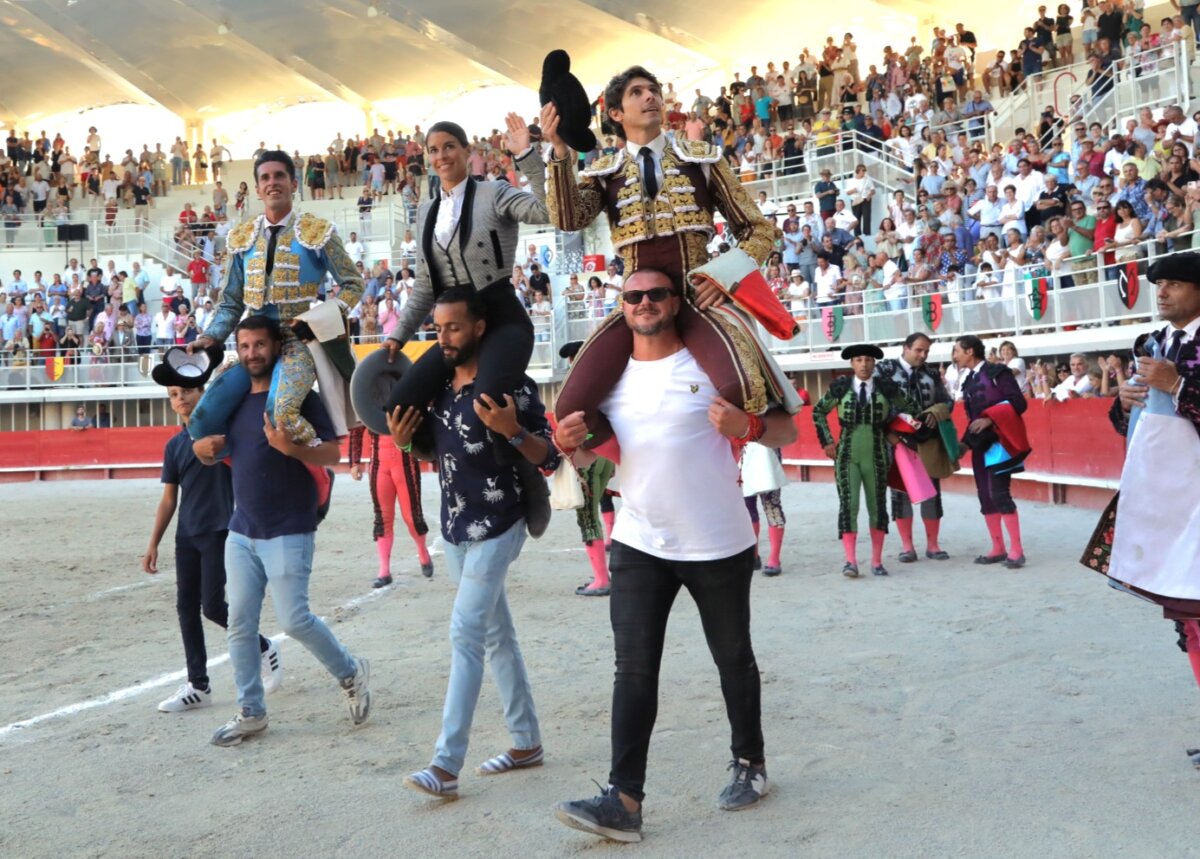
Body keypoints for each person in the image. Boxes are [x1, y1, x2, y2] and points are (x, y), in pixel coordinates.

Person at [552, 268, 798, 843]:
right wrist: (573, 448)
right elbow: (598, 461)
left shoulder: (717, 363)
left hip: (718, 541)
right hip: (639, 541)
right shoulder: (609, 378)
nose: (644, 303)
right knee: (632, 669)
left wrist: (749, 424)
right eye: (632, 295)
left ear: (675, 301)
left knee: (733, 659)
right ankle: (624, 800)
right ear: (622, 305)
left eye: (656, 293)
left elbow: (785, 430)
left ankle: (750, 764)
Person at [541, 64, 801, 454]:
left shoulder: (702, 159)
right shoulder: (604, 171)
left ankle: (730, 462)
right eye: (637, 93)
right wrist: (559, 151)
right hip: (636, 306)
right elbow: (567, 219)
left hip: (696, 299)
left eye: (654, 90)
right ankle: (628, 463)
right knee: (568, 408)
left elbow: (759, 229)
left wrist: (723, 277)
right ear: (615, 114)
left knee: (743, 390)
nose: (650, 97)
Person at [387, 288, 557, 800]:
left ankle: (445, 763)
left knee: (465, 632)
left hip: (500, 523)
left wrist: (511, 431)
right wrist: (400, 442)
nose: (443, 338)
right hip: (455, 529)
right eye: (436, 329)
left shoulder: (511, 389)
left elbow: (549, 456)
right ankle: (526, 742)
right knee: (494, 635)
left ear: (480, 328)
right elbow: (440, 454)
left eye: (453, 328)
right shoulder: (436, 390)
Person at [192, 316, 371, 747]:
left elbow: (331, 451)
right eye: (245, 346)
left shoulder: (300, 398)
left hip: (290, 524)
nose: (253, 353)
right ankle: (251, 711)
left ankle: (351, 672)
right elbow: (209, 448)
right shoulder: (230, 401)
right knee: (239, 623)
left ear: (276, 346)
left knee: (295, 619)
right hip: (243, 529)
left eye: (260, 345)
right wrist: (201, 452)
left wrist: (290, 447)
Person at [381, 116, 552, 536]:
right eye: (433, 150)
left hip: (502, 319)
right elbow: (424, 285)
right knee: (397, 406)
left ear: (467, 151)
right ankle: (443, 459)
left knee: (488, 403)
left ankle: (528, 480)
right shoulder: (425, 211)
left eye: (449, 147)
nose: (442, 156)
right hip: (455, 328)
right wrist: (398, 335)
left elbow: (546, 210)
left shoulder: (494, 192)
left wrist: (527, 156)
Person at [1085, 252, 1200, 767]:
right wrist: (1126, 402)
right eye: (1160, 284)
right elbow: (1138, 426)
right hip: (1171, 501)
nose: (1163, 292)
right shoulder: (1154, 345)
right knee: (1189, 621)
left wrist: (1176, 385)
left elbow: (1175, 397)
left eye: (1175, 284)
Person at [189, 149, 364, 449]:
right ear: (257, 189)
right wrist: (211, 337)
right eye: (265, 178)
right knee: (201, 421)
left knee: (280, 413)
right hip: (254, 342)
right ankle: (248, 461)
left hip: (298, 340)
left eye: (279, 176)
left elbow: (353, 283)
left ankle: (319, 464)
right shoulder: (242, 237)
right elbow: (231, 301)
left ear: (294, 184)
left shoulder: (317, 232)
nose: (273, 183)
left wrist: (320, 319)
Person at [143, 361, 281, 713]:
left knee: (213, 606)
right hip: (186, 534)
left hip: (221, 529)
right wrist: (153, 542)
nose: (180, 399)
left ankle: (263, 646)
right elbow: (169, 498)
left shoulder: (222, 437)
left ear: (203, 394)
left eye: (187, 391)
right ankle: (198, 685)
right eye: (174, 394)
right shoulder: (174, 447)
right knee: (185, 608)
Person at [813, 344, 919, 578]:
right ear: (852, 364)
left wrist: (894, 431)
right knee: (848, 506)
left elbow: (912, 409)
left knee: (877, 506)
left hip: (877, 454)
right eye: (859, 360)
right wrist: (827, 441)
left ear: (874, 364)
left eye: (868, 360)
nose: (864, 364)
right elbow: (818, 411)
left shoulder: (885, 388)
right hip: (847, 455)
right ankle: (850, 562)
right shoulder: (841, 387)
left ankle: (876, 561)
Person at [874, 333, 956, 563]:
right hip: (897, 440)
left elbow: (947, 401)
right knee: (900, 493)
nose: (923, 355)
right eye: (919, 350)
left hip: (927, 439)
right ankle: (907, 546)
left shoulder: (930, 373)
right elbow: (875, 401)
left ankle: (933, 544)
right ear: (905, 348)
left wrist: (935, 412)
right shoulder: (885, 370)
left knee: (931, 492)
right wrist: (892, 427)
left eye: (926, 352)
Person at [953, 334, 1030, 569]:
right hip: (980, 445)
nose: (954, 356)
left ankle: (1016, 550)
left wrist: (989, 419)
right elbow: (973, 420)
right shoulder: (969, 380)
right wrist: (964, 444)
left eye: (956, 351)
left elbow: (1019, 402)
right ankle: (998, 547)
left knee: (999, 493)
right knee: (985, 495)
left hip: (999, 442)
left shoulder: (997, 373)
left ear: (969, 351)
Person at [347, 423, 433, 588]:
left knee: (412, 517)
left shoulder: (401, 397)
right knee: (382, 517)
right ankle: (384, 571)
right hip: (379, 465)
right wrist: (354, 462)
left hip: (406, 463)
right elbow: (357, 428)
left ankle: (422, 552)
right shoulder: (367, 397)